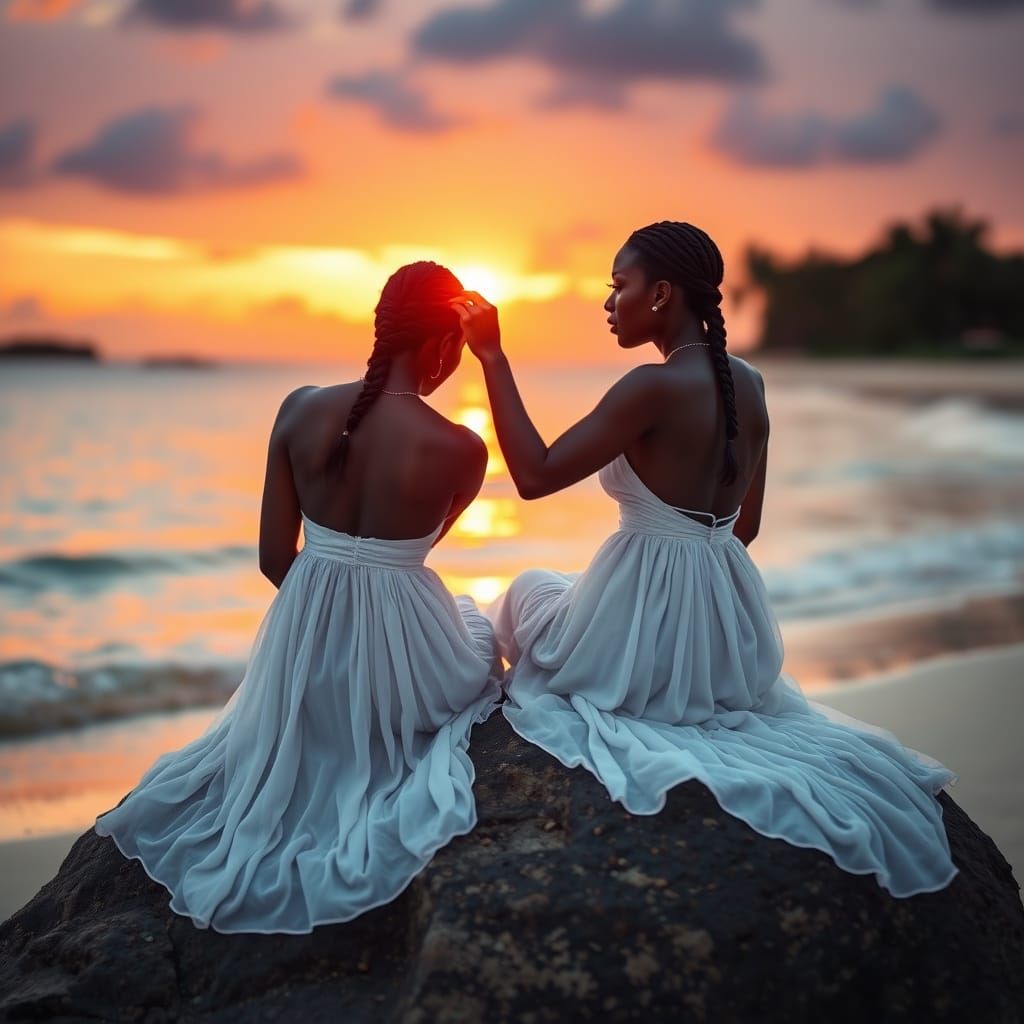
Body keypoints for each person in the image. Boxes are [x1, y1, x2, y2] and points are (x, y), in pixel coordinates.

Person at [451, 221, 958, 898]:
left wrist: (493, 358)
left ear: (661, 294)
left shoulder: (650, 388)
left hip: (643, 618)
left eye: (618, 286)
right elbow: (742, 527)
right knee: (555, 591)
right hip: (727, 633)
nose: (608, 303)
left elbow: (536, 476)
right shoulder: (748, 383)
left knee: (525, 594)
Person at [95, 261, 503, 934]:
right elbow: (408, 560)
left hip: (301, 646)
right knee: (481, 638)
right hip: (406, 651)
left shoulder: (299, 408)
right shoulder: (462, 449)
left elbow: (272, 560)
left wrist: (328, 632)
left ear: (381, 330)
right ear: (441, 346)